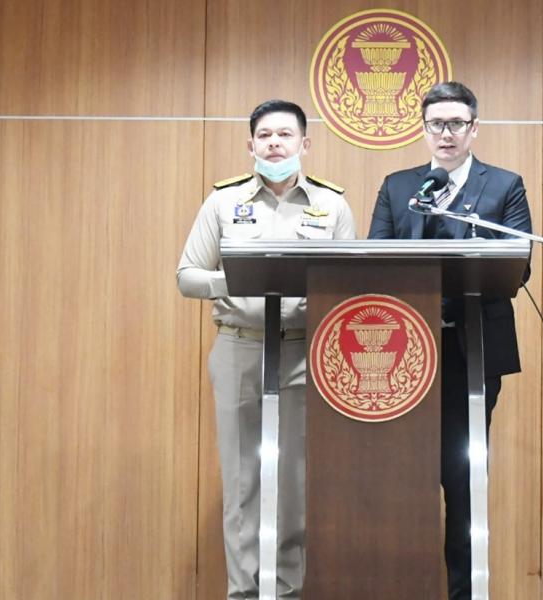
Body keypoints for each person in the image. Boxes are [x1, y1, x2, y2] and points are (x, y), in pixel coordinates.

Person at [177, 99, 356, 599]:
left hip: (302, 355)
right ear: (250, 145)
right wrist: (238, 280)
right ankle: (244, 593)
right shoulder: (223, 202)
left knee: (294, 487)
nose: (274, 143)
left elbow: (351, 282)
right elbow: (187, 276)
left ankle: (287, 593)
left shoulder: (332, 205)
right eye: (265, 136)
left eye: (285, 135)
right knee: (243, 485)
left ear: (305, 143)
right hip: (240, 351)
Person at [368, 81, 532, 599]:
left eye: (456, 123)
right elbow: (374, 260)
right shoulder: (399, 186)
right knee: (407, 482)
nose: (446, 133)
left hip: (471, 352)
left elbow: (519, 266)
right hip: (403, 358)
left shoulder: (504, 186)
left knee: (463, 484)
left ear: (474, 128)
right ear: (423, 130)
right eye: (436, 124)